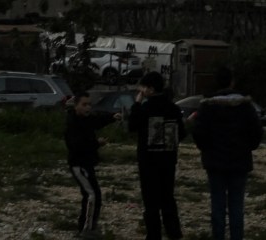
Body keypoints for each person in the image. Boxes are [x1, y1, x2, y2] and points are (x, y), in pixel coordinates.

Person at [190, 68, 263, 240]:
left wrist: (206, 149)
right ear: (232, 82)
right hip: (240, 161)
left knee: (217, 204)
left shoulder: (208, 106)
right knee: (237, 205)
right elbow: (256, 131)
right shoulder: (245, 106)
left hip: (215, 161)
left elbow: (198, 132)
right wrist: (249, 147)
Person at [127, 69, 184, 240]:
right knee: (167, 198)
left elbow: (132, 126)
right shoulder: (173, 109)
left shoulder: (146, 108)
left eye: (143, 87)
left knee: (150, 200)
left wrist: (137, 103)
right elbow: (181, 133)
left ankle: (154, 234)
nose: (141, 91)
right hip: (168, 159)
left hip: (148, 161)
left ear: (150, 89)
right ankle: (174, 233)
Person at [65, 94, 118, 233]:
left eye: (89, 104)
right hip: (79, 164)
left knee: (93, 195)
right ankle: (86, 229)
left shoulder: (86, 119)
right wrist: (97, 143)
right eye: (84, 104)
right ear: (76, 106)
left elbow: (98, 120)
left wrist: (113, 117)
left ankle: (89, 226)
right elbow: (77, 145)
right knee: (92, 195)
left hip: (86, 163)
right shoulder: (73, 123)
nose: (88, 107)